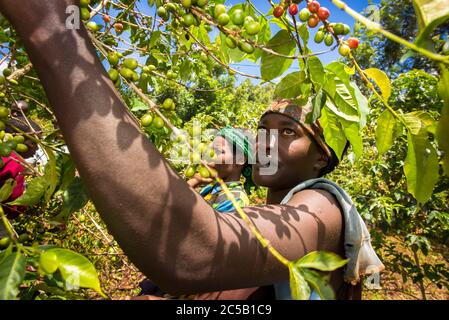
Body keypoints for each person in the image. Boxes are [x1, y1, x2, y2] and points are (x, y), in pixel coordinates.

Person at [0, 0, 384, 300]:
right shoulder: (262, 214)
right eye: (263, 128)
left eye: (287, 132)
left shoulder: (324, 209)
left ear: (322, 157)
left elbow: (193, 252)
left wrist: (54, 30)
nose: (265, 141)